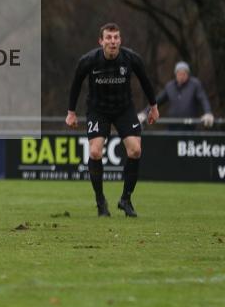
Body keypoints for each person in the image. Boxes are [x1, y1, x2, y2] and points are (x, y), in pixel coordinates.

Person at [66, 22, 158, 218]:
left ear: (120, 40)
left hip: (124, 109)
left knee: (135, 150)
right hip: (98, 110)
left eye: (116, 37)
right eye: (108, 37)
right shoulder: (89, 61)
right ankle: (100, 201)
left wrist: (154, 107)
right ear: (101, 41)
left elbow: (146, 82)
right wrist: (71, 112)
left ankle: (126, 199)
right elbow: (75, 84)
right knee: (95, 151)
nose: (113, 41)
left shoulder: (131, 59)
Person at [139, 61, 214, 131]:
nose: (181, 76)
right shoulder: (170, 86)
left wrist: (208, 113)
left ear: (188, 74)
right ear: (176, 74)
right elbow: (157, 101)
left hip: (190, 127)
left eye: (184, 74)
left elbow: (203, 99)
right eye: (179, 73)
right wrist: (145, 113)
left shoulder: (195, 84)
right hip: (172, 127)